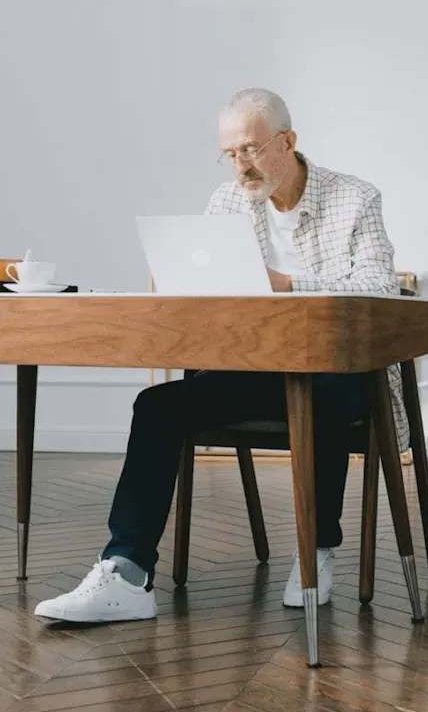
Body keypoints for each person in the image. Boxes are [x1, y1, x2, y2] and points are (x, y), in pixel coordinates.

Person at [34, 88, 409, 624]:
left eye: (251, 150)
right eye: (230, 154)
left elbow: (378, 286)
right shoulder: (227, 201)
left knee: (319, 393)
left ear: (288, 141)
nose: (241, 166)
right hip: (254, 370)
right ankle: (127, 572)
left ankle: (315, 549)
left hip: (343, 375)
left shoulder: (355, 197)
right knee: (158, 405)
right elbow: (210, 296)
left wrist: (286, 285)